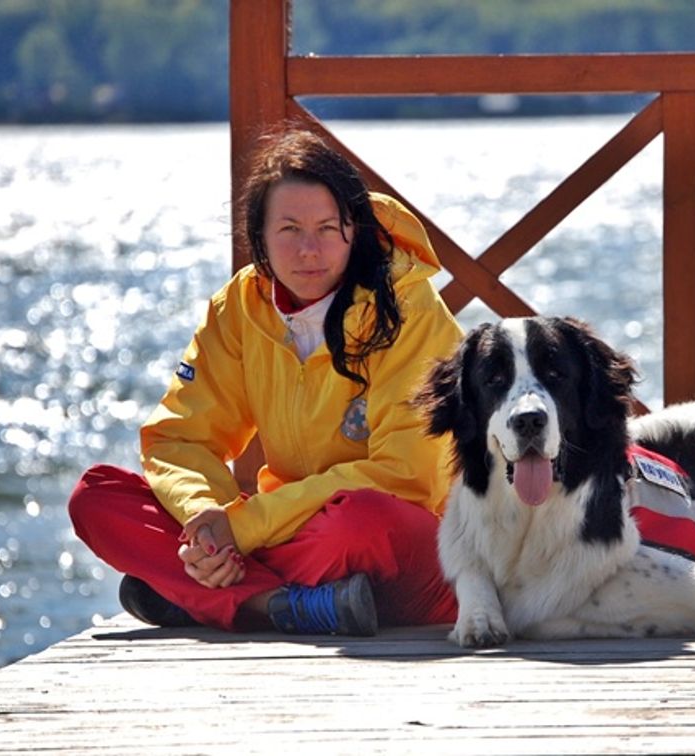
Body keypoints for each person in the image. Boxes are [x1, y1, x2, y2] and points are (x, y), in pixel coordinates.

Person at [67, 128, 462, 636]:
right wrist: (207, 519)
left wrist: (243, 528)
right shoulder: (240, 306)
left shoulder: (410, 309)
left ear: (355, 230)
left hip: (404, 546)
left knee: (362, 520)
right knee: (95, 497)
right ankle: (278, 604)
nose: (309, 250)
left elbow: (407, 476)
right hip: (282, 536)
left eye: (327, 227)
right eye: (290, 229)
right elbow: (179, 437)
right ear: (259, 236)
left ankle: (201, 596)